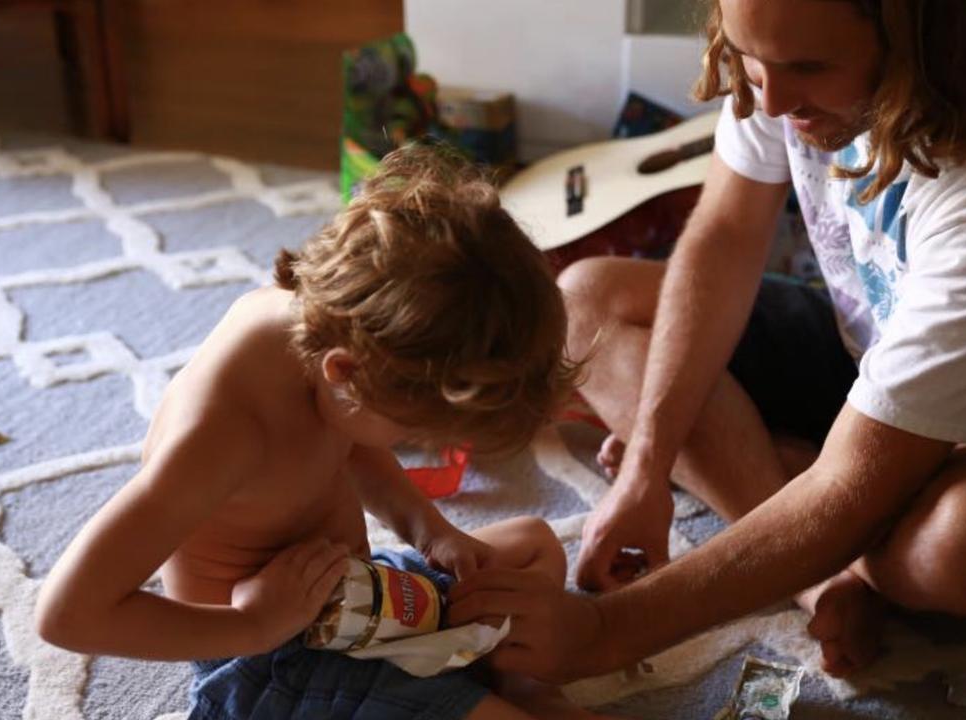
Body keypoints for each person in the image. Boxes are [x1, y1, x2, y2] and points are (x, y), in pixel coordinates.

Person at [447, 0, 966, 682]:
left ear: (918, 33)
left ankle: (791, 483)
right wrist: (648, 463)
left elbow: (853, 487)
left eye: (807, 71)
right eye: (748, 58)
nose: (768, 101)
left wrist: (601, 633)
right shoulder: (787, 41)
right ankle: (815, 563)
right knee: (585, 302)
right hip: (873, 331)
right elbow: (728, 234)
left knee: (963, 551)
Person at [34, 146, 610, 720]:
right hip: (273, 662)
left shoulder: (337, 352)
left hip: (358, 598)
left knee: (532, 547)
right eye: (414, 431)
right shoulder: (224, 435)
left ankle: (524, 686)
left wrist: (430, 532)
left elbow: (352, 439)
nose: (420, 447)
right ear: (346, 373)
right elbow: (67, 613)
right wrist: (253, 625)